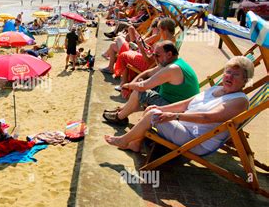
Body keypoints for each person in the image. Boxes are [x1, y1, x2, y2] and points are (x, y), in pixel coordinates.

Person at [104, 57, 253, 155]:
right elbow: (187, 103)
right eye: (228, 72)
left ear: (245, 80)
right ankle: (135, 144)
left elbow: (208, 117)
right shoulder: (217, 89)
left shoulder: (239, 101)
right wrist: (163, 109)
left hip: (196, 140)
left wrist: (174, 116)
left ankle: (123, 140)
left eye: (236, 75)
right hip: (184, 128)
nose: (229, 76)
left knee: (152, 115)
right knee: (153, 109)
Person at [102, 41, 200, 126]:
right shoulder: (174, 63)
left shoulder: (172, 69)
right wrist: (133, 83)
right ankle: (124, 109)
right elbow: (148, 73)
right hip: (177, 103)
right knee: (141, 86)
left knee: (139, 92)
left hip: (177, 109)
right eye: (153, 54)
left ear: (169, 54)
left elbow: (143, 86)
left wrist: (127, 86)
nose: (154, 58)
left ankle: (119, 117)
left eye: (157, 55)